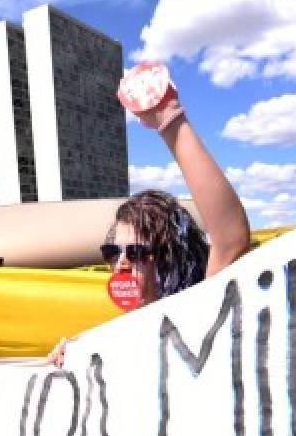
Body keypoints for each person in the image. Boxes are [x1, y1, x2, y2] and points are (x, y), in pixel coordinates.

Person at [49, 63, 250, 365]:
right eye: (112, 252)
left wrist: (168, 117)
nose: (121, 264)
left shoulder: (202, 309)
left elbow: (231, 237)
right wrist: (69, 360)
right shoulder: (112, 338)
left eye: (138, 252)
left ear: (172, 256)